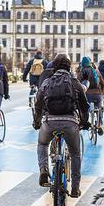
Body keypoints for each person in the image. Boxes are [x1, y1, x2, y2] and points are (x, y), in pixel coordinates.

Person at [33, 54, 89, 198]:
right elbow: (84, 106)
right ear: (69, 67)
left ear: (54, 67)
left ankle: (44, 169)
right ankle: (75, 188)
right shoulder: (75, 83)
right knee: (75, 153)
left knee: (42, 144)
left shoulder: (47, 82)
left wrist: (37, 121)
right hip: (70, 123)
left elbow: (38, 104)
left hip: (49, 122)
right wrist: (84, 122)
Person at [79, 57, 104, 135]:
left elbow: (77, 82)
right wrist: (102, 92)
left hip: (88, 94)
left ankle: (85, 121)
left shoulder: (82, 71)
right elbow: (102, 83)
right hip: (98, 94)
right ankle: (99, 124)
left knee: (85, 107)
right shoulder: (96, 71)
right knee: (99, 108)